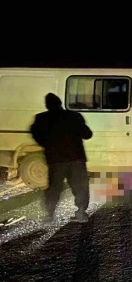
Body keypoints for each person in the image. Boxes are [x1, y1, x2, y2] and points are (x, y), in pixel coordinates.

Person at [30, 93, 93, 224]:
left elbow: (36, 135)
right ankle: (81, 213)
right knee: (80, 187)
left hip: (55, 159)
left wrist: (48, 144)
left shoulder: (41, 118)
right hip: (76, 158)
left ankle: (49, 215)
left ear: (47, 105)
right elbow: (87, 134)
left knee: (54, 188)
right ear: (60, 103)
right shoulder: (74, 116)